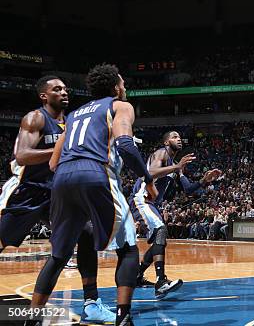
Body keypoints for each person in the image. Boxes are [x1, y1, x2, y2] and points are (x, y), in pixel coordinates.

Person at [26, 64, 156, 326]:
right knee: (128, 248)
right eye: (123, 83)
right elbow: (126, 145)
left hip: (62, 179)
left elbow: (53, 163)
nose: (125, 88)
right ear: (115, 87)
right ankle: (123, 317)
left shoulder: (72, 115)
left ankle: (31, 320)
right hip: (96, 173)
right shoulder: (120, 106)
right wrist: (148, 179)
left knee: (59, 256)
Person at [0, 76, 114, 323]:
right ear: (44, 96)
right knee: (2, 240)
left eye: (65, 88)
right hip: (28, 191)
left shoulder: (71, 122)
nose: (64, 92)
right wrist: (65, 149)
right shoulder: (36, 118)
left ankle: (91, 302)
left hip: (58, 191)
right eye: (57, 89)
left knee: (86, 233)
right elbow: (22, 156)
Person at [129, 131, 222, 298]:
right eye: (174, 137)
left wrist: (204, 180)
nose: (178, 139)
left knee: (160, 239)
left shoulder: (175, 166)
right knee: (161, 231)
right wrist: (177, 167)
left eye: (179, 137)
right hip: (141, 198)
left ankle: (137, 275)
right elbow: (150, 172)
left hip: (152, 203)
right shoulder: (161, 153)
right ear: (166, 142)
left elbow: (188, 190)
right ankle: (160, 282)